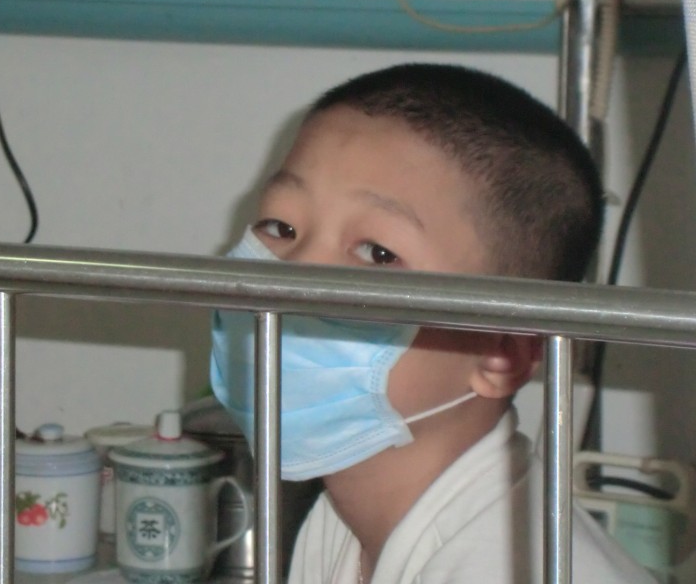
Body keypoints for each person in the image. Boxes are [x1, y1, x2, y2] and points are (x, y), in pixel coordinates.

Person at [209, 63, 655, 584]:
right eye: (280, 226)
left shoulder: (505, 569)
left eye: (377, 253)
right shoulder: (344, 522)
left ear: (501, 354)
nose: (290, 280)